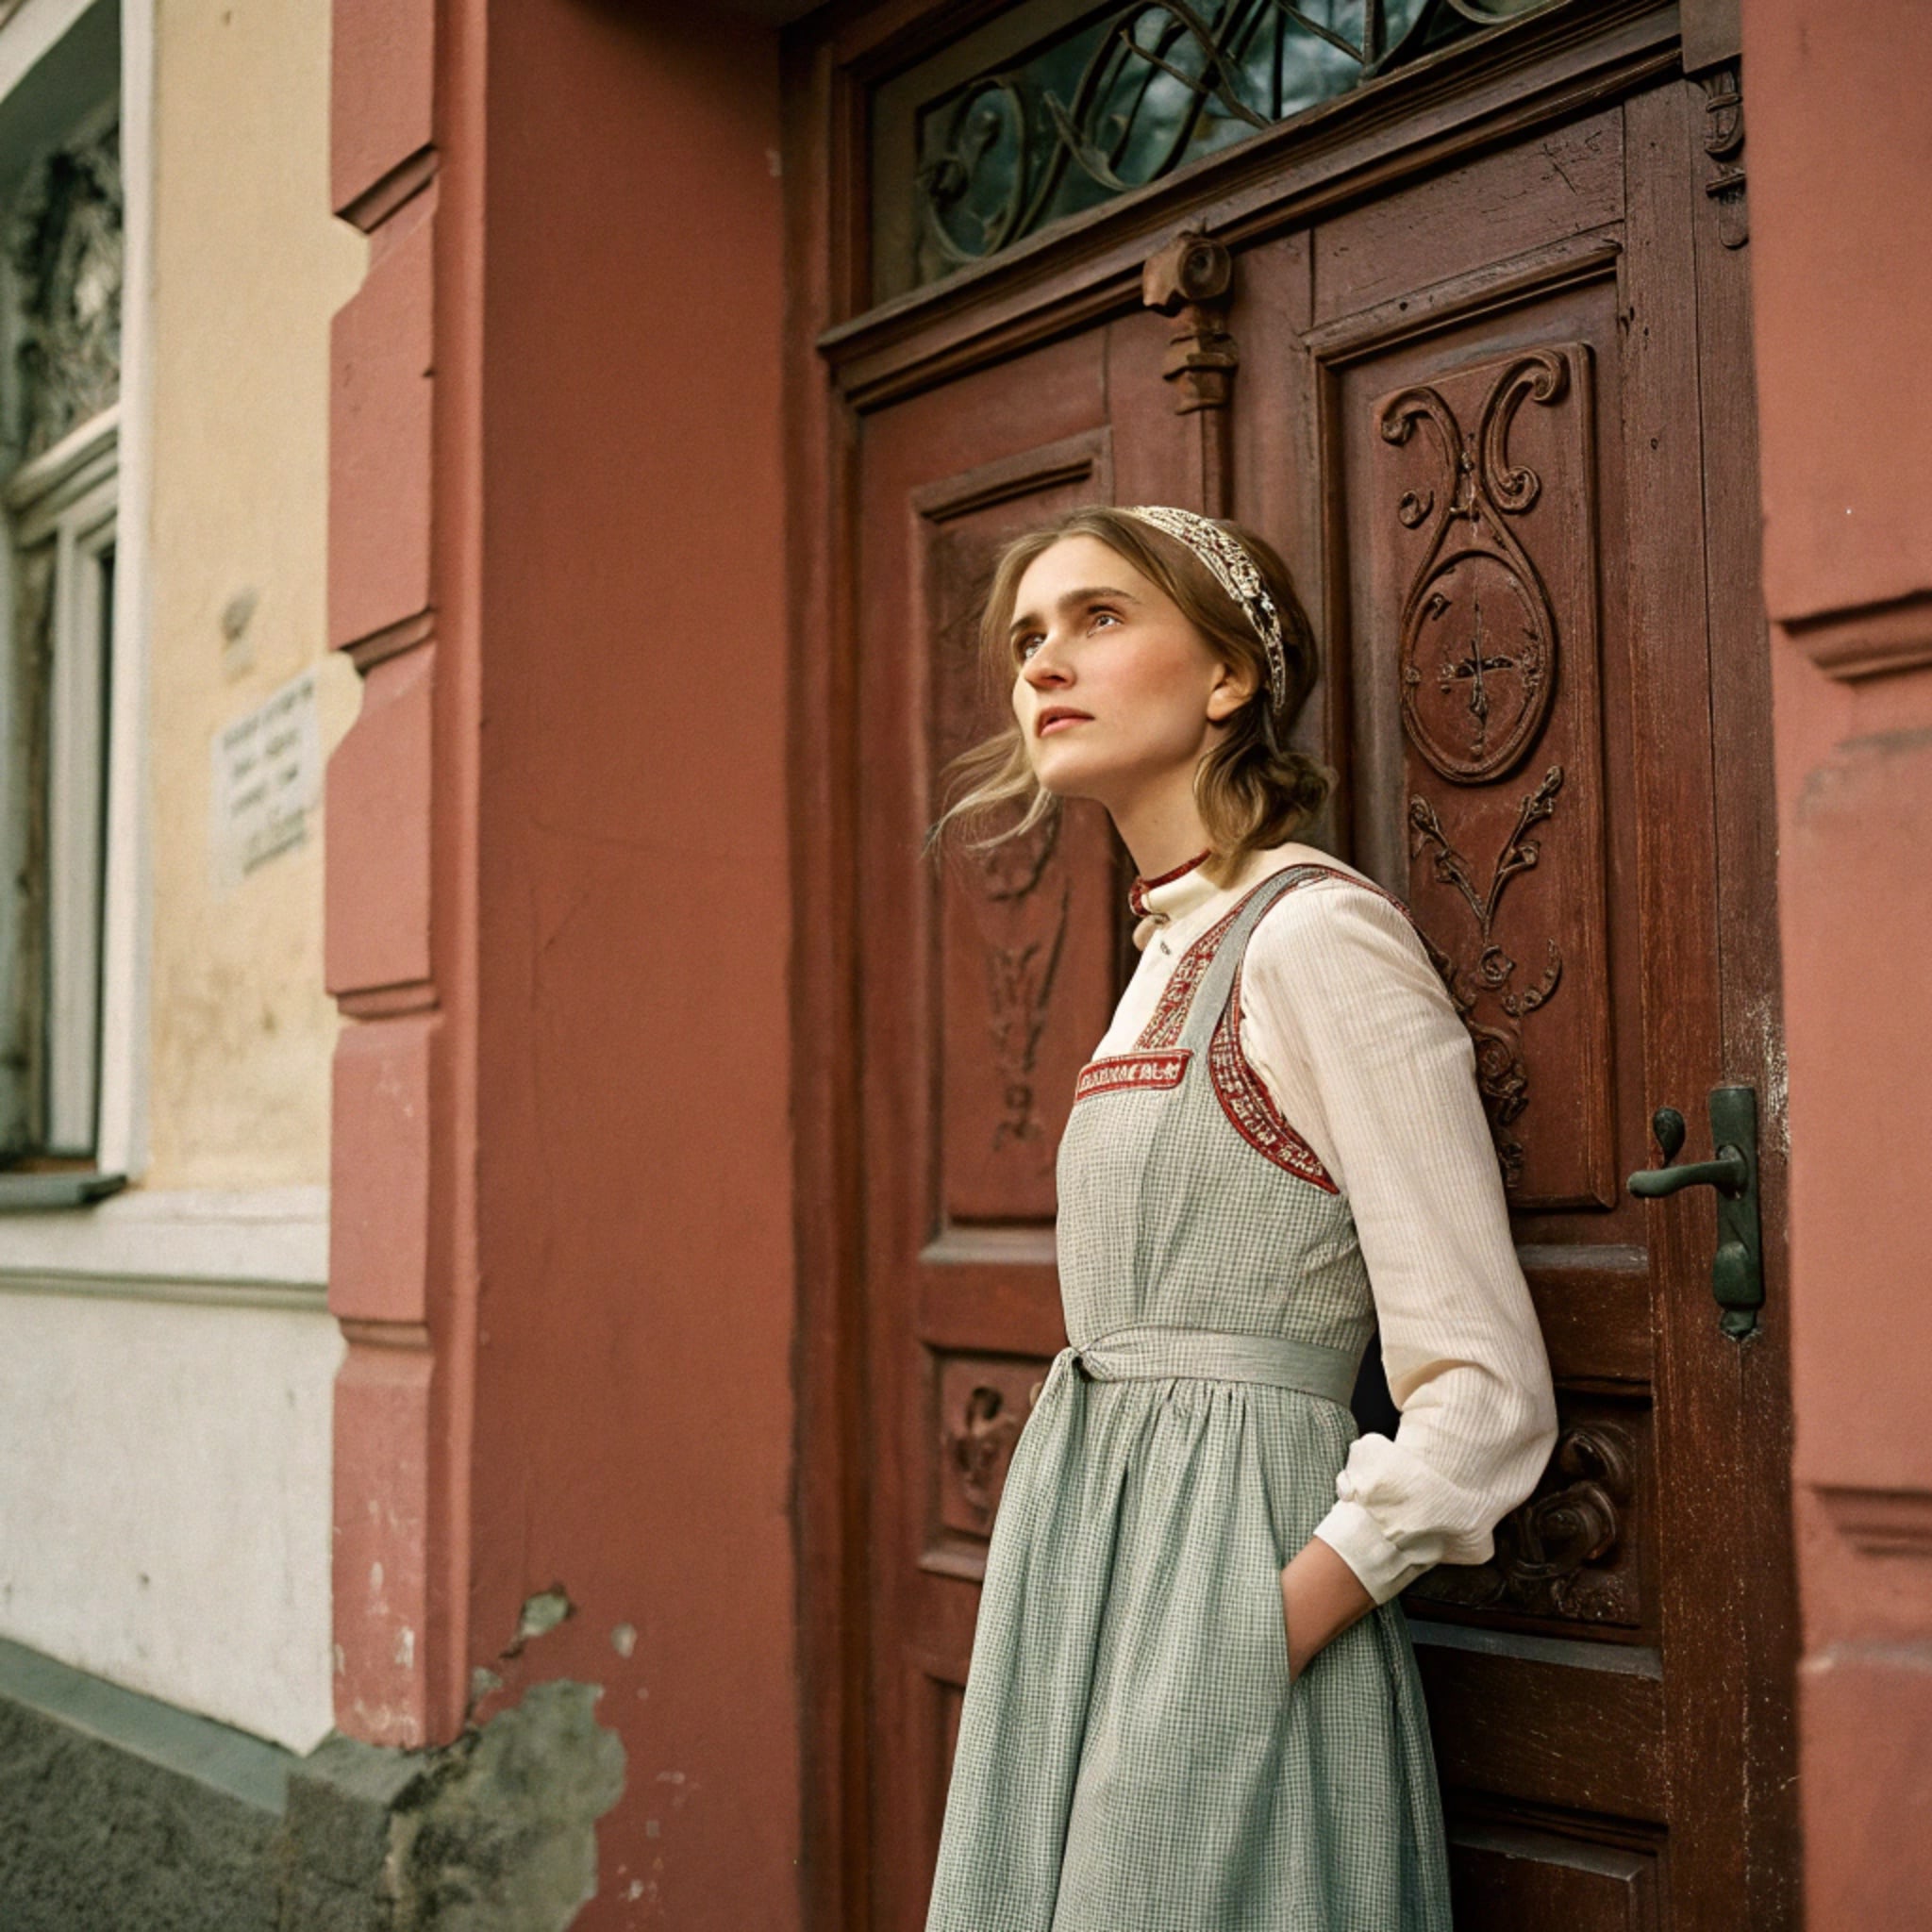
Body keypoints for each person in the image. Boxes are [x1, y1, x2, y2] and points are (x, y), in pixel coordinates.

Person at [924, 506, 1558, 1931]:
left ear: (1226, 680)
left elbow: (1485, 1398)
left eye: (1097, 620)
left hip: (1231, 1591)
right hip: (1089, 1578)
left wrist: (1248, 1645)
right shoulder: (1167, 953)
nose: (1042, 665)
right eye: (1028, 636)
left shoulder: (1317, 937)